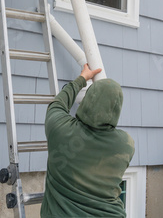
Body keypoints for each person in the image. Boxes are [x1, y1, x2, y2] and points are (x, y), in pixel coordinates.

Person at [41, 64, 135, 217]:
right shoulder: (126, 145)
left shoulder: (60, 129)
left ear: (87, 100)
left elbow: (58, 103)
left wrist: (82, 79)